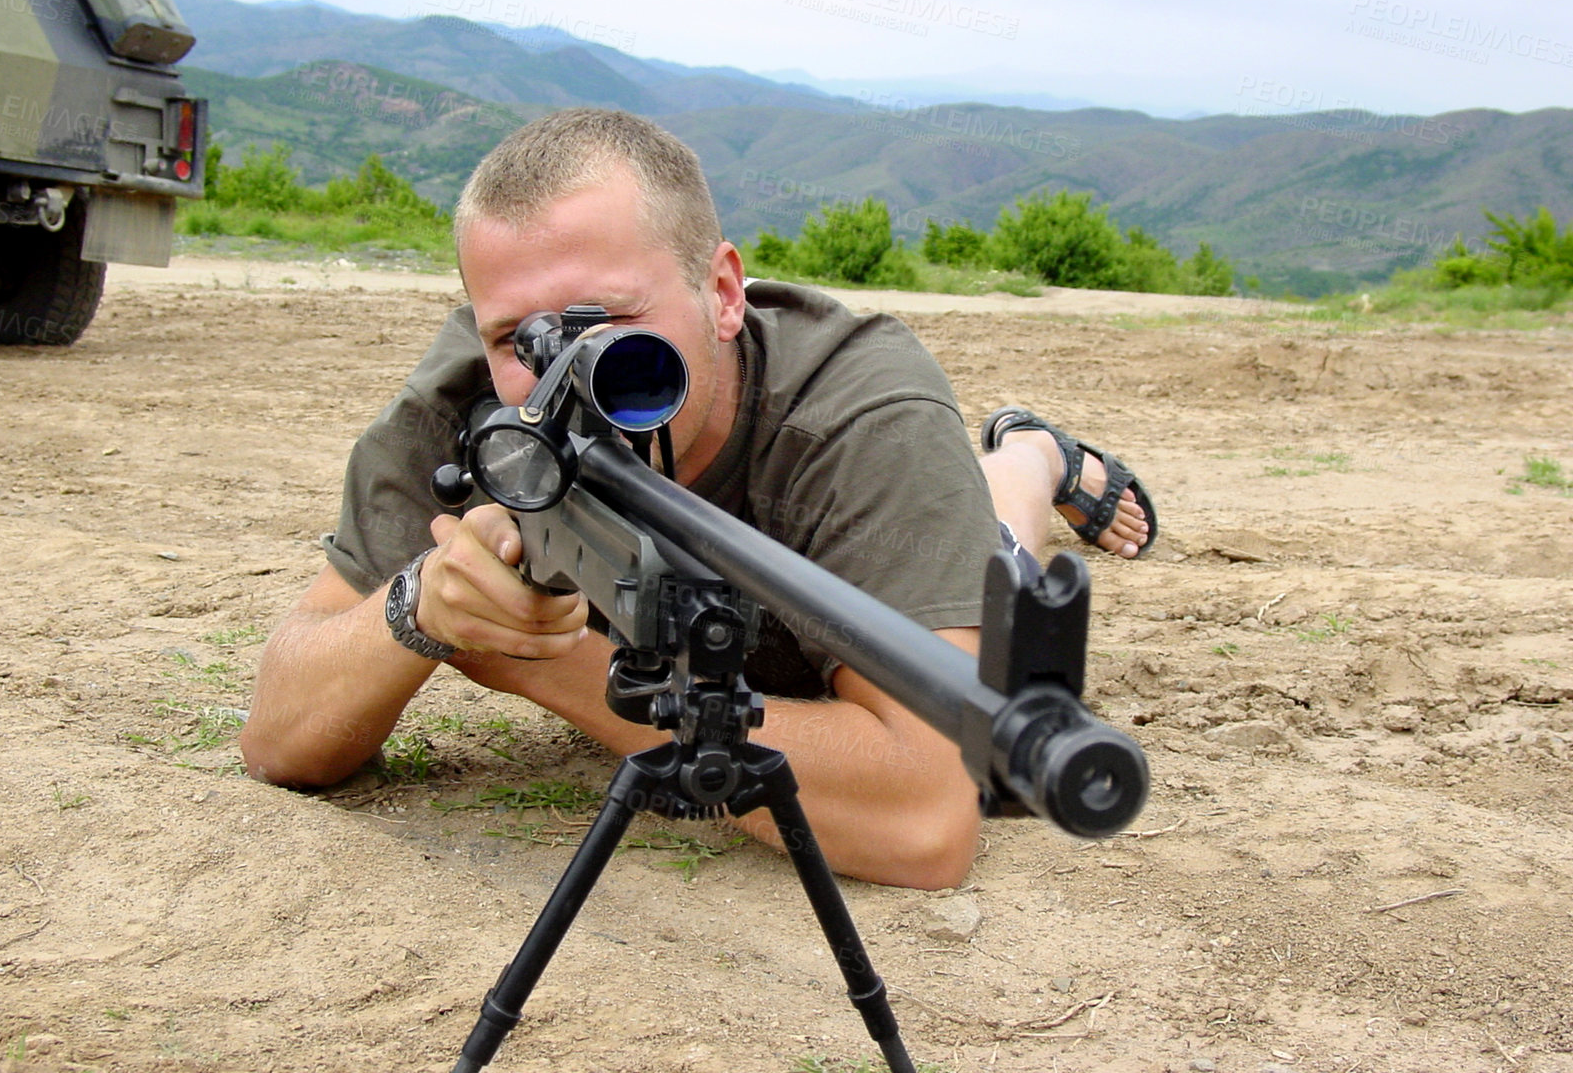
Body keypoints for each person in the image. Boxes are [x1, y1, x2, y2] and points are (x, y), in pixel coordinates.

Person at [240, 109, 1153, 890]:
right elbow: (282, 734)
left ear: (721, 292)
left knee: (1002, 549)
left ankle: (1030, 457)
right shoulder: (478, 403)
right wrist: (421, 606)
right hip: (742, 685)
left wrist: (538, 662)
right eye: (519, 337)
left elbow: (927, 822)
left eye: (611, 324)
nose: (561, 369)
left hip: (859, 587)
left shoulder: (855, 406)